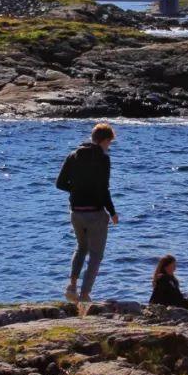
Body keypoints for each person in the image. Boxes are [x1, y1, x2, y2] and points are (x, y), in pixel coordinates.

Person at [56, 123, 119, 306]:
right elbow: (104, 189)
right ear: (105, 140)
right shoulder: (103, 159)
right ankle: (85, 294)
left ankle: (72, 286)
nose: (109, 147)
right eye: (109, 143)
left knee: (81, 247)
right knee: (96, 254)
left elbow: (59, 183)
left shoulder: (73, 155)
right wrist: (113, 212)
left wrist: (76, 191)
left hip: (76, 212)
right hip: (95, 213)